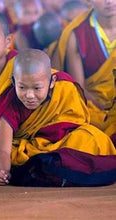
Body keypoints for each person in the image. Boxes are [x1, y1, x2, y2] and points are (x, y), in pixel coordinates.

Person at [0, 49, 116, 187]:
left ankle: (43, 167)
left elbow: (74, 124)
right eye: (22, 87)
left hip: (58, 146)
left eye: (37, 88)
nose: (29, 95)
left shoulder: (65, 89)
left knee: (94, 138)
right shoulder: (9, 104)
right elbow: (3, 150)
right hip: (20, 151)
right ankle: (49, 168)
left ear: (51, 82)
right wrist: (3, 171)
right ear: (13, 82)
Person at [52, 0, 116, 131]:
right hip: (95, 106)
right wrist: (106, 109)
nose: (109, 1)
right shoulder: (77, 35)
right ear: (88, 1)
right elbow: (80, 88)